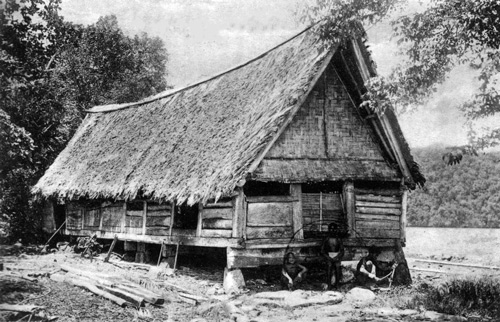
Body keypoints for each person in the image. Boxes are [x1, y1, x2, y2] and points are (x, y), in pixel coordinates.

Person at [321, 223, 345, 290]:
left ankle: (337, 285)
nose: (332, 230)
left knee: (337, 267)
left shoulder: (338, 239)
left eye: (334, 229)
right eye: (331, 229)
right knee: (329, 267)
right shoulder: (326, 239)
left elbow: (342, 250)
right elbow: (322, 251)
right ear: (329, 230)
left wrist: (337, 257)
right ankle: (329, 285)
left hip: (336, 256)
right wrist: (328, 257)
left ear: (336, 230)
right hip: (328, 256)